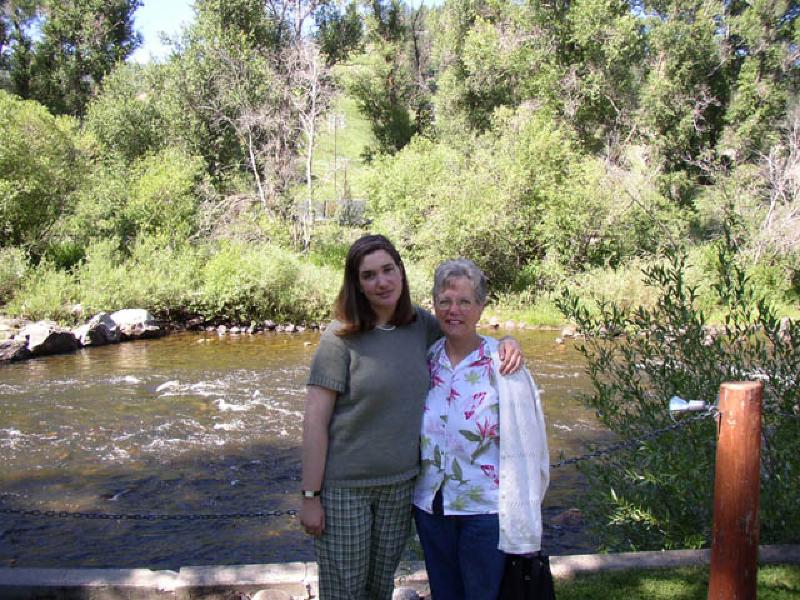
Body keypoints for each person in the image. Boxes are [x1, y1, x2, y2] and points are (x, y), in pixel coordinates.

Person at [300, 235, 523, 600]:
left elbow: (464, 332)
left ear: (401, 274)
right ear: (357, 284)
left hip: (401, 487)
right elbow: (314, 421)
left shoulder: (421, 325)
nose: (381, 281)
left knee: (378, 588)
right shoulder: (339, 338)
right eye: (369, 275)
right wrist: (310, 495)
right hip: (346, 489)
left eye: (388, 270)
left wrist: (509, 342)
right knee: (344, 591)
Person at [413, 258, 550, 600]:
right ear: (434, 305)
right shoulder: (427, 360)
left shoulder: (504, 363)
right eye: (444, 301)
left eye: (464, 301)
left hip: (485, 511)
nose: (453, 310)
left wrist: (526, 510)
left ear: (480, 307)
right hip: (432, 506)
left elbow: (530, 444)